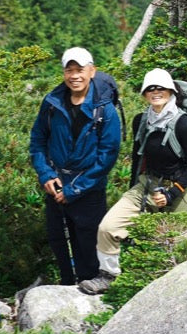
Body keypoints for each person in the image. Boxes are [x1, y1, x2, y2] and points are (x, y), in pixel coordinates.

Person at [79, 68, 187, 294]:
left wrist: (172, 193)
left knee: (178, 245)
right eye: (150, 89)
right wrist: (132, 193)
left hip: (180, 187)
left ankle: (174, 291)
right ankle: (108, 276)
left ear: (170, 91)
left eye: (161, 88)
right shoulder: (142, 121)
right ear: (145, 93)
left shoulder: (184, 124)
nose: (156, 92)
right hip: (147, 183)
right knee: (108, 227)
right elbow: (138, 157)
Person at [29, 46, 121, 287]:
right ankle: (67, 284)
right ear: (63, 74)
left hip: (89, 188)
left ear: (92, 71)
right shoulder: (52, 103)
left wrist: (75, 190)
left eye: (80, 69)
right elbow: (38, 141)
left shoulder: (105, 109)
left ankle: (89, 285)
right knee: (58, 239)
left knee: (87, 241)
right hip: (56, 183)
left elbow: (107, 156)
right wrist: (46, 175)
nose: (74, 75)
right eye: (69, 70)